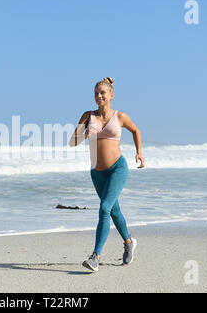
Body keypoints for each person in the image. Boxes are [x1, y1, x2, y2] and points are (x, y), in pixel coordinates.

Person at [69, 77, 145, 272]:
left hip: (117, 169)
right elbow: (72, 142)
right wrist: (83, 135)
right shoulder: (88, 116)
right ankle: (129, 242)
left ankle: (95, 256)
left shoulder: (120, 117)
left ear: (111, 95)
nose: (99, 96)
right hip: (97, 172)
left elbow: (135, 130)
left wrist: (139, 153)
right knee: (113, 210)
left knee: (104, 208)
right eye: (96, 93)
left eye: (102, 93)